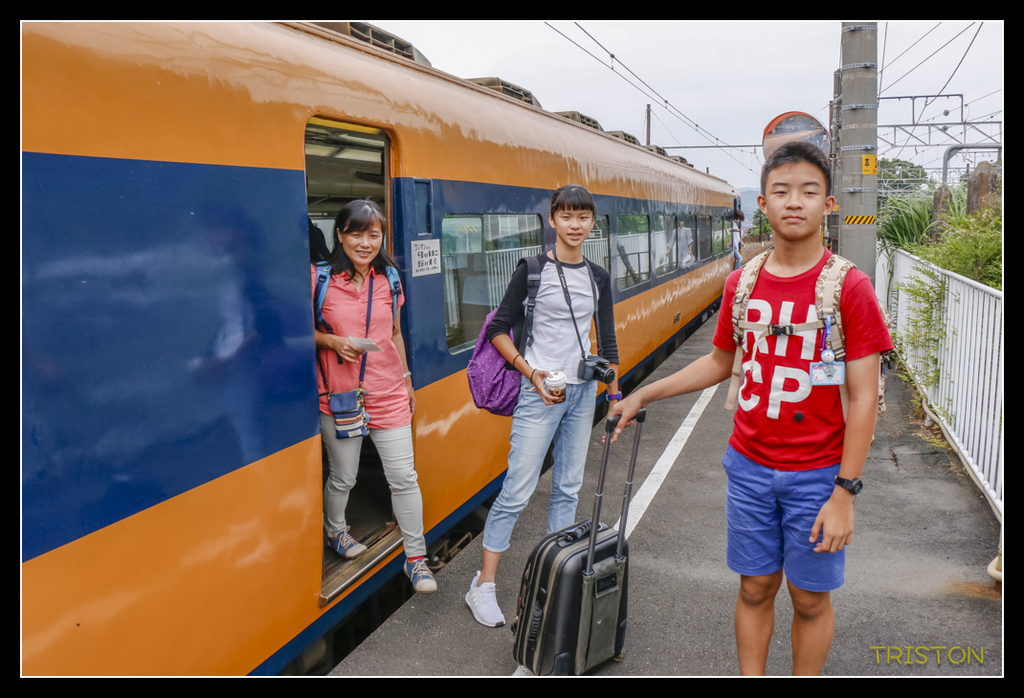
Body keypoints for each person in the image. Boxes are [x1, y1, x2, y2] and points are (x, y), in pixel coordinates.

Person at [609, 141, 893, 675]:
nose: (794, 202)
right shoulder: (743, 284)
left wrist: (844, 493)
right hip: (750, 467)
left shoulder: (849, 288)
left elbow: (863, 399)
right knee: (755, 587)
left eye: (809, 191)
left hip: (818, 475)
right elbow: (719, 363)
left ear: (828, 205)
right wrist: (645, 393)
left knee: (810, 599)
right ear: (761, 203)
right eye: (781, 191)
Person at [465, 184, 620, 627]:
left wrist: (614, 395)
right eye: (566, 216)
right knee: (517, 489)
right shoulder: (532, 270)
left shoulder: (598, 276)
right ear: (552, 220)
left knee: (568, 488)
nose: (575, 225)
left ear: (593, 222)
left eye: (583, 216)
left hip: (582, 393)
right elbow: (497, 327)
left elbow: (607, 343)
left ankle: (551, 582)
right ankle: (483, 586)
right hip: (539, 393)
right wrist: (529, 372)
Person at [313, 199, 436, 594]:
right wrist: (331, 340)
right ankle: (336, 531)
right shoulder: (318, 278)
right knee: (344, 476)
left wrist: (407, 379)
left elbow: (394, 333)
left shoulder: (390, 280)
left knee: (403, 478)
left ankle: (416, 559)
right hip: (340, 396)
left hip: (388, 391)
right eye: (356, 233)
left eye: (373, 234)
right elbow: (298, 332)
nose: (365, 243)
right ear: (339, 235)